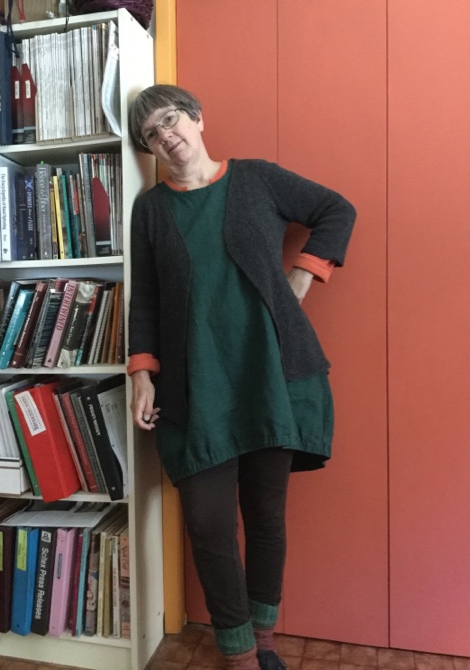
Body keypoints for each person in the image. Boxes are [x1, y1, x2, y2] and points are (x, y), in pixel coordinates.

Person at [127, 85, 356, 670]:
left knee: (265, 516)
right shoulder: (151, 209)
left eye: (172, 120)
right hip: (195, 387)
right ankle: (237, 652)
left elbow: (337, 209)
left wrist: (304, 274)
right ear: (149, 148)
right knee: (208, 524)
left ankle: (264, 638)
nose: (167, 136)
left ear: (197, 119)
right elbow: (145, 297)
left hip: (269, 376)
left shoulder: (257, 179)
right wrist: (142, 373)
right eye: (152, 134)